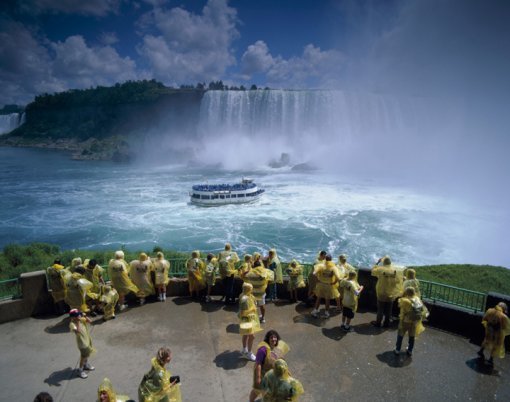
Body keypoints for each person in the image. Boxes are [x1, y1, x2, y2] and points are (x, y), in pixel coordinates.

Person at [250, 330, 290, 402]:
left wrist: (287, 373)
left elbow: (282, 362)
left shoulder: (278, 349)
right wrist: (258, 378)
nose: (273, 339)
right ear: (268, 339)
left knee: (268, 393)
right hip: (262, 375)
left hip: (272, 377)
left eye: (275, 337)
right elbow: (258, 364)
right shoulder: (263, 349)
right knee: (257, 390)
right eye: (271, 337)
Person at [371, 255, 405, 327]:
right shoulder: (395, 271)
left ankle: (378, 323)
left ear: (383, 262)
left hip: (381, 292)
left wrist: (377, 263)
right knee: (389, 310)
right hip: (391, 293)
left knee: (380, 309)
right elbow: (399, 281)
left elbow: (373, 271)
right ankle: (386, 323)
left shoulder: (380, 269)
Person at [394, 287, 429, 356]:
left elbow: (402, 312)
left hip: (405, 321)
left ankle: (397, 349)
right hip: (414, 321)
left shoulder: (405, 301)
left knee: (400, 334)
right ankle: (410, 350)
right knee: (412, 336)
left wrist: (401, 321)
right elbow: (423, 310)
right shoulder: (417, 299)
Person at [477, 302, 510, 367]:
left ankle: (481, 351)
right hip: (498, 334)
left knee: (486, 340)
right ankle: (491, 359)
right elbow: (506, 327)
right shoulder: (504, 317)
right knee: (496, 346)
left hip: (489, 330)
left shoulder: (490, 310)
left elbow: (484, 319)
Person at [239, 282, 262, 361]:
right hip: (247, 319)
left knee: (245, 335)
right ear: (248, 289)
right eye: (251, 289)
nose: (252, 290)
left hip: (247, 319)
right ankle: (249, 353)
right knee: (252, 336)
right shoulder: (244, 299)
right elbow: (243, 312)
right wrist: (252, 309)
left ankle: (244, 349)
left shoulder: (246, 295)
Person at [69, 309, 95, 379]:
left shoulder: (81, 319)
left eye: (80, 314)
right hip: (82, 343)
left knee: (87, 354)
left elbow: (90, 321)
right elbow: (78, 331)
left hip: (87, 340)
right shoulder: (72, 324)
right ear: (73, 317)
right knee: (83, 356)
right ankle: (80, 370)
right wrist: (77, 322)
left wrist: (85, 316)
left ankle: (85, 365)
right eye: (77, 315)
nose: (79, 316)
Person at [243, 259, 270, 323]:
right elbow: (269, 277)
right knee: (262, 305)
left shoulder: (250, 274)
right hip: (261, 293)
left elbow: (243, 276)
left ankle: (253, 319)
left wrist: (248, 271)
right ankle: (263, 318)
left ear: (254, 266)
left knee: (253, 307)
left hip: (253, 294)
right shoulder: (263, 274)